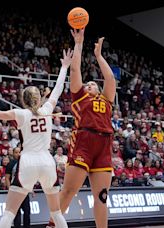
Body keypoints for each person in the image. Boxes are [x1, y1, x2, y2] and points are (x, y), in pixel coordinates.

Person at [0, 48, 74, 228]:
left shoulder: (21, 113)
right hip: (47, 161)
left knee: (9, 213)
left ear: (24, 100)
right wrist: (64, 67)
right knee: (56, 213)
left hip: (28, 160)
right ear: (39, 98)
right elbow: (58, 89)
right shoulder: (47, 110)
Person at [50, 29, 116, 228]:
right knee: (69, 191)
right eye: (87, 84)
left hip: (104, 144)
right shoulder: (79, 97)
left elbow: (110, 79)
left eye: (93, 84)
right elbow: (75, 71)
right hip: (83, 142)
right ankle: (52, 226)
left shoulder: (106, 99)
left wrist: (98, 56)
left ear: (98, 90)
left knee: (102, 197)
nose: (89, 85)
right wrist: (78, 44)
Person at [5, 152, 31, 228]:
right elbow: (7, 178)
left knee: (27, 211)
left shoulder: (26, 164)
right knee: (16, 212)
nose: (18, 154)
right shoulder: (11, 164)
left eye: (20, 152)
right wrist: (10, 190)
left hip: (24, 190)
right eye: (16, 152)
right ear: (13, 154)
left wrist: (31, 188)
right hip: (15, 190)